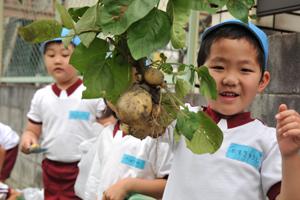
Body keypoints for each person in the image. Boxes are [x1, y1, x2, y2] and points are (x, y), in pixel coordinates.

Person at [162, 19, 300, 200]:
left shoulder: (268, 141)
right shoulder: (181, 118)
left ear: (262, 81)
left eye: (244, 69)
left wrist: (291, 156)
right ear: (200, 75)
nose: (230, 79)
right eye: (218, 67)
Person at [20, 28, 106, 200]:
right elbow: (32, 130)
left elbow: (108, 129)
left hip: (83, 169)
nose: (57, 60)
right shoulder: (41, 96)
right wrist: (28, 139)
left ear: (81, 58)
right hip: (50, 169)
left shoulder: (92, 92)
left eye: (65, 55)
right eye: (51, 55)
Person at [74, 105, 173, 200]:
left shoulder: (157, 138)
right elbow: (95, 180)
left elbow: (170, 185)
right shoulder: (106, 133)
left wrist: (128, 185)